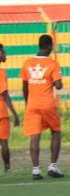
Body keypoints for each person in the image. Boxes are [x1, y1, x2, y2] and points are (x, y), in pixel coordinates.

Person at [22, 35, 64, 179]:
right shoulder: (53, 64)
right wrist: (55, 83)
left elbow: (25, 86)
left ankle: (35, 169)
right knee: (56, 131)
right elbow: (58, 86)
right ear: (49, 47)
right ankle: (53, 166)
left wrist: (28, 103)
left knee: (35, 136)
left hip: (32, 104)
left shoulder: (27, 63)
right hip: (47, 104)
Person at [0, 45, 20, 173]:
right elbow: (5, 94)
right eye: (3, 52)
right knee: (4, 142)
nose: (5, 55)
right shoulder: (1, 73)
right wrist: (15, 114)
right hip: (1, 112)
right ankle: (7, 169)